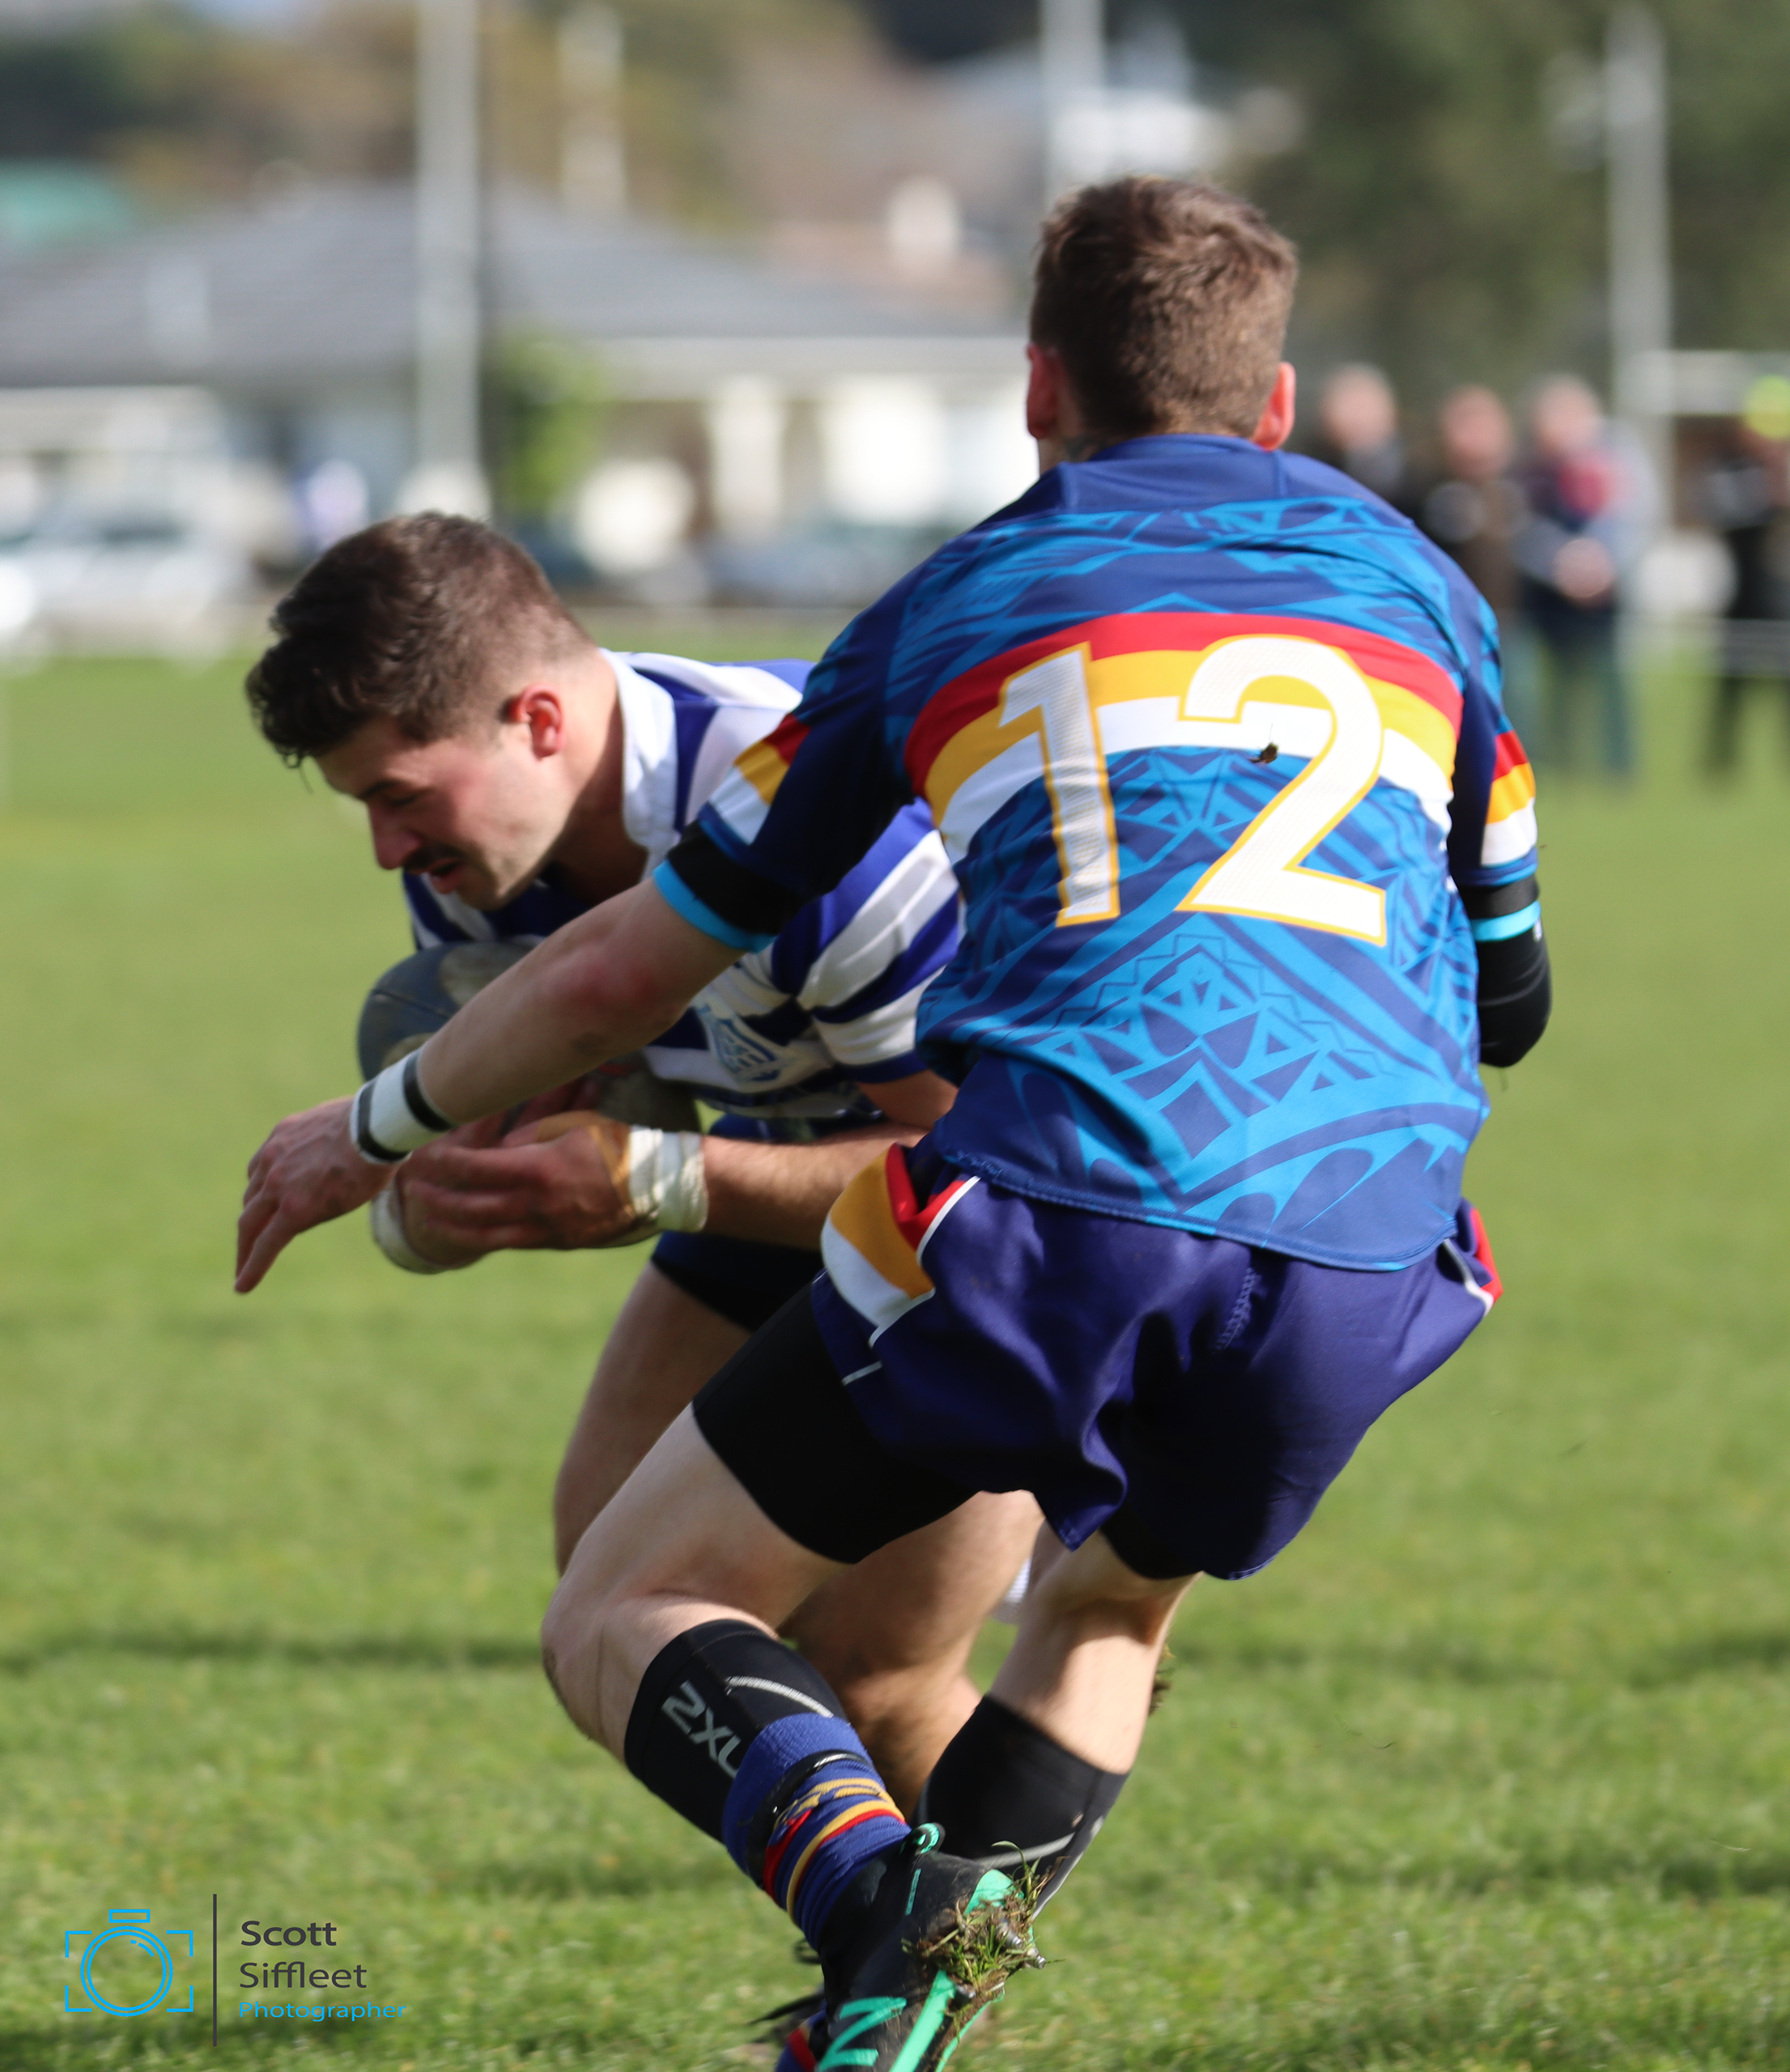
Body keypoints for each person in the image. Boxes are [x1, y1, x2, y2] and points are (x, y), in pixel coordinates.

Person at [238, 176, 1550, 2067]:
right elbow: (1513, 996)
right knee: (1100, 1614)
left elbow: (634, 976)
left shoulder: (943, 614)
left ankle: (891, 1947)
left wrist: (384, 1135)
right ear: (1276, 407)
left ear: (1034, 390)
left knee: (652, 1607)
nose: (388, 843)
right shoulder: (1428, 590)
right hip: (1374, 1242)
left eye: (398, 794)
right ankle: (896, 2002)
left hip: (1039, 1195)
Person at [241, 513, 1040, 1808]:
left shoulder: (817, 818)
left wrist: (652, 1178)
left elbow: (974, 1178)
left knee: (879, 1670)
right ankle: (883, 1896)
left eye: (399, 795)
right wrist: (449, 1205)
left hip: (1019, 1223)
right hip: (783, 1158)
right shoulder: (477, 863)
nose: (390, 851)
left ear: (537, 721)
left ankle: (960, 1903)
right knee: (621, 1594)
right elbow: (562, 1119)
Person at [1513, 373, 1643, 779]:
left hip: (1607, 592)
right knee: (1553, 684)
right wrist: (1562, 565)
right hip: (1548, 594)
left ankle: (1618, 768)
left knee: (1611, 680)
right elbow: (1522, 527)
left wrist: (1603, 562)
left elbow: (1638, 514)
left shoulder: (1618, 456)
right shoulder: (1530, 468)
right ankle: (1553, 762)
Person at [1697, 393, 1789, 779]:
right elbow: (1725, 511)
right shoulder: (1729, 467)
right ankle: (1720, 764)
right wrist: (1768, 486)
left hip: (1781, 598)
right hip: (1741, 592)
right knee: (1730, 687)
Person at [1417, 384, 1521, 626]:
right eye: (1465, 424)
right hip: (1445, 622)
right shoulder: (1424, 495)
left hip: (1515, 622)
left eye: (1484, 424)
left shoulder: (1524, 490)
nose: (1475, 435)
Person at [1302, 362, 1406, 503]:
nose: (1358, 418)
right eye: (1349, 405)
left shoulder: (1413, 481)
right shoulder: (1308, 472)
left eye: (1364, 406)